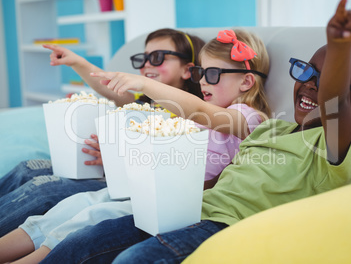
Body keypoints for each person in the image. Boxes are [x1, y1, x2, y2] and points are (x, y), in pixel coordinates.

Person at [30, 0, 351, 263]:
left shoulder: (333, 147)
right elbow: (213, 156)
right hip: (188, 209)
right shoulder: (270, 128)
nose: (308, 87)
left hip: (227, 226)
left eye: (324, 80)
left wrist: (339, 47)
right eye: (305, 72)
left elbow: (332, 100)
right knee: (84, 240)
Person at [0, 28, 271, 263]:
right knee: (72, 206)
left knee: (89, 216)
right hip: (142, 186)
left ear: (246, 81)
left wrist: (144, 84)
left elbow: (200, 112)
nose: (201, 82)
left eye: (212, 74)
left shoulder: (248, 118)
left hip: (170, 201)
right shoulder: (196, 113)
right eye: (201, 73)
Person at [0, 28, 205, 237]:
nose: (146, 65)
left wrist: (113, 159)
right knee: (27, 168)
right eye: (143, 58)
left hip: (119, 186)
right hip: (99, 172)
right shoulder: (142, 104)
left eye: (158, 57)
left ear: (187, 70)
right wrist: (76, 62)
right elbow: (107, 86)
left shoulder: (188, 115)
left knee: (42, 190)